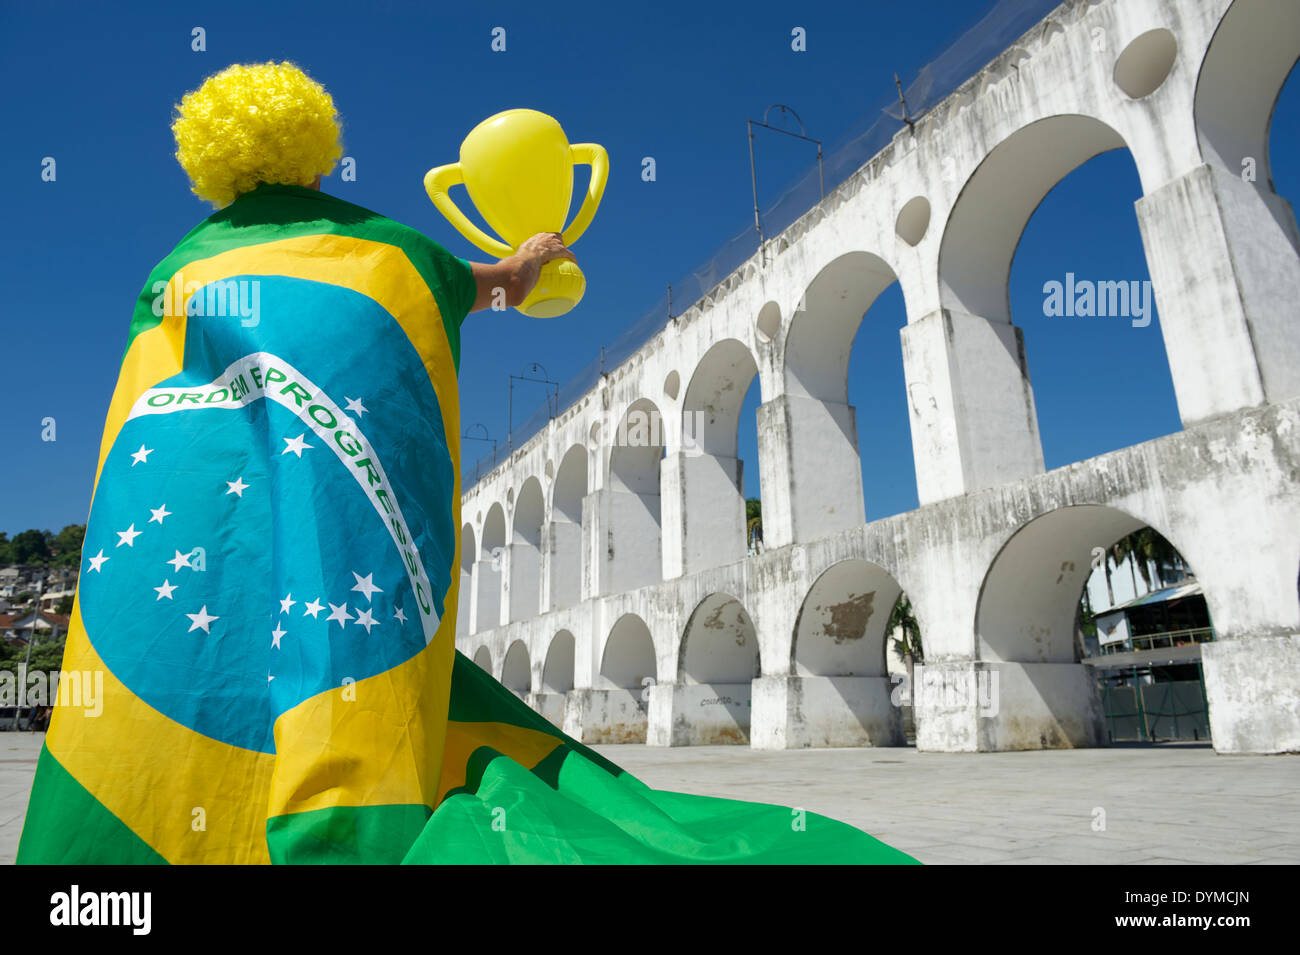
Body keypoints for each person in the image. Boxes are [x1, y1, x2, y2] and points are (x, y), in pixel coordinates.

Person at [18, 61, 915, 864]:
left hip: (204, 530)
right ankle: (337, 816)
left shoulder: (178, 269)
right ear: (316, 151)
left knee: (213, 621)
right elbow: (470, 289)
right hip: (328, 545)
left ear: (211, 161)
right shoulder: (379, 250)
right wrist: (524, 262)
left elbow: (153, 417)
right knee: (324, 637)